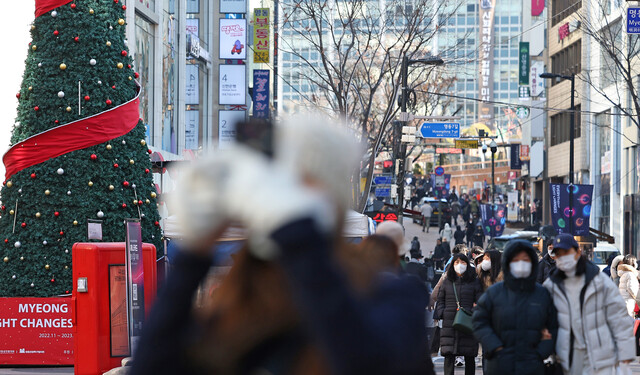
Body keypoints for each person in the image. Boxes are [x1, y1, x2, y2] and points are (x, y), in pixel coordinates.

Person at [131, 119, 433, 375]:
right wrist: (196, 250)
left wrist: (297, 232)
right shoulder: (234, 308)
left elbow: (362, 361)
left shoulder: (394, 297)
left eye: (300, 185)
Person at [543, 234, 635, 375]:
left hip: (599, 357)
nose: (563, 257)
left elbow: (620, 318)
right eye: (559, 254)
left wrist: (626, 355)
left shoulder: (600, 282)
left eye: (567, 252)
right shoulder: (551, 286)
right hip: (565, 359)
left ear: (577, 252)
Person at [473, 240, 558, 375]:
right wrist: (495, 347)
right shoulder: (494, 293)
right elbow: (479, 322)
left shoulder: (542, 294)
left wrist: (541, 351)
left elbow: (553, 326)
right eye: (516, 260)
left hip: (532, 364)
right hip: (499, 364)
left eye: (525, 260)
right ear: (507, 263)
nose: (521, 263)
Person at [434, 253, 483, 375]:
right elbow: (440, 299)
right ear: (452, 265)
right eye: (456, 262)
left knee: (469, 356)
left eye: (463, 262)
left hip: (468, 321)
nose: (459, 265)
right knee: (449, 356)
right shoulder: (447, 281)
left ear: (468, 264)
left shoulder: (474, 282)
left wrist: (474, 313)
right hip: (449, 322)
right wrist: (442, 312)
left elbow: (481, 301)